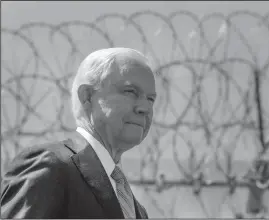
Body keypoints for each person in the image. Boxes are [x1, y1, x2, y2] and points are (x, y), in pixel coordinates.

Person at [1, 47, 157, 219]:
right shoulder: (51, 167)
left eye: (151, 99)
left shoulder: (136, 209)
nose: (145, 108)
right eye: (130, 92)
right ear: (87, 96)